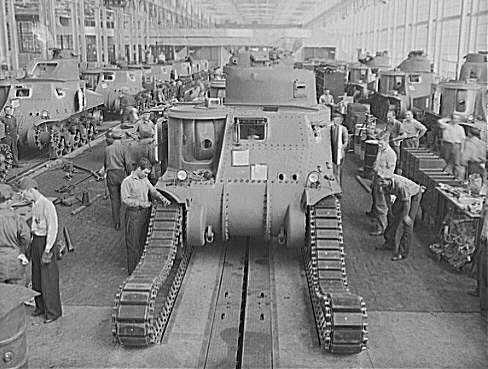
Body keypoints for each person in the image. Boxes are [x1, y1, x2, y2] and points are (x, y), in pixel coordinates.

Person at [17, 177, 62, 323]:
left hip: (45, 243)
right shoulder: (35, 204)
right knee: (36, 277)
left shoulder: (47, 205)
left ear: (31, 190)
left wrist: (48, 249)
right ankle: (40, 307)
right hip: (36, 241)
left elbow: (53, 229)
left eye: (24, 194)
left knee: (48, 279)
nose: (24, 197)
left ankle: (53, 312)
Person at [121, 158, 171, 274]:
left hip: (144, 214)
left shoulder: (144, 179)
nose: (147, 175)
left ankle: (141, 267)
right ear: (139, 169)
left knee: (143, 241)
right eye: (145, 172)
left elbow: (152, 191)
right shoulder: (127, 182)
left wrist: (162, 198)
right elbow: (125, 200)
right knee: (133, 244)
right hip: (133, 215)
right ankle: (133, 272)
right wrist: (141, 203)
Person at [377, 174, 423, 261]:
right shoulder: (383, 185)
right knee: (392, 217)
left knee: (407, 224)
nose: (381, 184)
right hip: (401, 196)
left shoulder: (401, 186)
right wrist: (390, 210)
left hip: (413, 195)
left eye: (383, 182)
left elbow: (407, 203)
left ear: (389, 180)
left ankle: (403, 252)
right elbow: (386, 197)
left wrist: (405, 216)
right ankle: (389, 243)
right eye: (380, 181)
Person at [367, 131, 397, 236]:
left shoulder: (391, 154)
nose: (379, 145)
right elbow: (377, 164)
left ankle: (381, 228)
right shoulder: (381, 150)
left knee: (381, 204)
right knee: (376, 200)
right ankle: (377, 222)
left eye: (381, 143)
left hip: (383, 180)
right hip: (376, 177)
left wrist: (382, 183)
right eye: (378, 142)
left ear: (387, 141)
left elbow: (390, 171)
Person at [0, 184, 30, 284]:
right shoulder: (16, 218)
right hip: (14, 261)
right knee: (18, 294)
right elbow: (26, 238)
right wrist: (22, 251)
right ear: (8, 201)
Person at [103, 129, 132, 230]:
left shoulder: (107, 149)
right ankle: (128, 221)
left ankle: (117, 223)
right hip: (121, 174)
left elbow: (105, 164)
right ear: (121, 137)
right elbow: (128, 163)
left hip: (111, 175)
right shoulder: (124, 148)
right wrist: (130, 175)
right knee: (126, 198)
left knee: (115, 201)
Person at [438, 114, 466, 179]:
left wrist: (462, 149)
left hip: (456, 145)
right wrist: (447, 119)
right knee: (446, 159)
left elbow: (463, 139)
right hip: (447, 144)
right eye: (454, 118)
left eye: (457, 119)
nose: (455, 120)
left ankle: (457, 177)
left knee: (456, 162)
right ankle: (447, 174)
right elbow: (439, 121)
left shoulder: (460, 128)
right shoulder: (447, 126)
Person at [330, 113, 349, 187]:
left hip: (339, 153)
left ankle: (338, 188)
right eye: (334, 119)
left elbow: (346, 141)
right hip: (330, 152)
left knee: (337, 172)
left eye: (337, 119)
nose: (335, 121)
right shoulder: (330, 128)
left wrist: (341, 148)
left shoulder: (343, 129)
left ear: (341, 121)